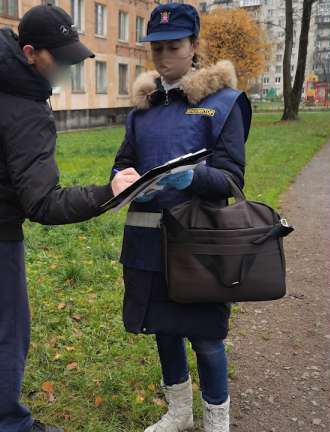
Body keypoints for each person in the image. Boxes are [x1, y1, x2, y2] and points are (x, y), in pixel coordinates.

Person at [0, 5, 139, 432]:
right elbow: (43, 204)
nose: (70, 66)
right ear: (31, 51)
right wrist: (106, 194)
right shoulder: (29, 111)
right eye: (63, 58)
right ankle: (11, 423)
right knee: (8, 328)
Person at [110, 3, 252, 432]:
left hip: (198, 244)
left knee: (207, 337)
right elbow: (121, 163)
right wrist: (121, 179)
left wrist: (190, 178)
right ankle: (178, 413)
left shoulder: (225, 104)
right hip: (147, 242)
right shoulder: (142, 109)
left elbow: (231, 180)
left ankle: (216, 420)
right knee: (163, 330)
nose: (164, 57)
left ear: (194, 47)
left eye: (173, 47)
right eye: (156, 49)